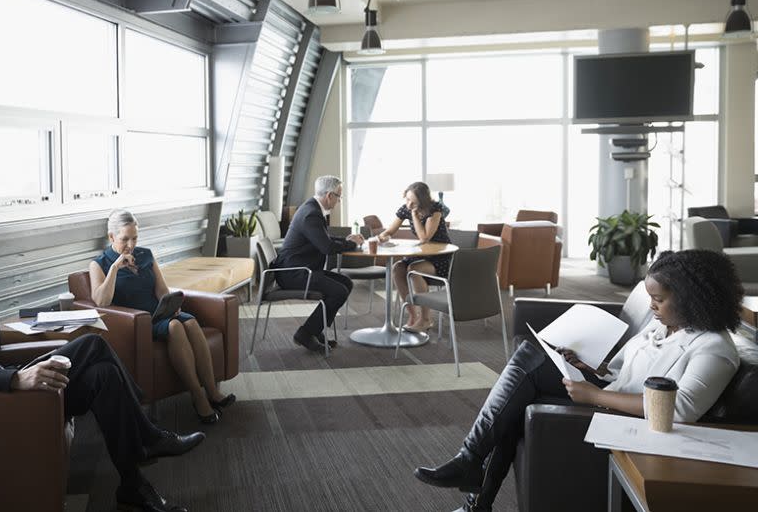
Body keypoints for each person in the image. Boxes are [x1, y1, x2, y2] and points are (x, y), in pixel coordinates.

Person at [0, 236, 203, 512]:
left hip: (4, 379)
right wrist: (16, 379)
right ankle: (147, 436)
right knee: (91, 342)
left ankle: (133, 486)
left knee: (103, 374)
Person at [414, 249, 742, 512]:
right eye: (650, 297)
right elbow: (622, 371)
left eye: (658, 299)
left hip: (628, 419)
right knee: (529, 358)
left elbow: (679, 409)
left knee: (522, 388)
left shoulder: (714, 348)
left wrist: (593, 396)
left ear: (692, 298)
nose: (652, 306)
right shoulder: (668, 324)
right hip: (611, 394)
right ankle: (473, 480)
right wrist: (589, 368)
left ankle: (471, 473)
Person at [88, 210, 235, 425]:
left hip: (160, 313)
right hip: (138, 322)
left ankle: (212, 391)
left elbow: (162, 290)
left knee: (191, 322)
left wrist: (171, 304)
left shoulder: (146, 255)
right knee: (175, 326)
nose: (131, 245)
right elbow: (101, 301)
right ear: (111, 237)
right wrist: (115, 268)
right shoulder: (99, 264)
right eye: (124, 239)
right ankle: (198, 396)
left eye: (135, 238)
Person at [273, 175, 364, 352]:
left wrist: (346, 239)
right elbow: (327, 247)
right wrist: (352, 243)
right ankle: (306, 333)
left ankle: (315, 330)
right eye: (339, 196)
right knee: (339, 291)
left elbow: (323, 238)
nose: (339, 201)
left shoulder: (311, 208)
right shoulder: (311, 214)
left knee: (345, 282)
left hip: (300, 269)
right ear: (329, 195)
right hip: (294, 273)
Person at [376, 181, 452, 333]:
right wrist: (383, 236)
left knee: (414, 270)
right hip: (421, 254)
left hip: (440, 256)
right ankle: (413, 314)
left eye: (413, 202)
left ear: (422, 201)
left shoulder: (435, 210)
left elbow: (424, 238)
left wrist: (414, 216)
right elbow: (390, 230)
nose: (409, 204)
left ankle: (426, 319)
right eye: (407, 199)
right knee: (398, 268)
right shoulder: (406, 208)